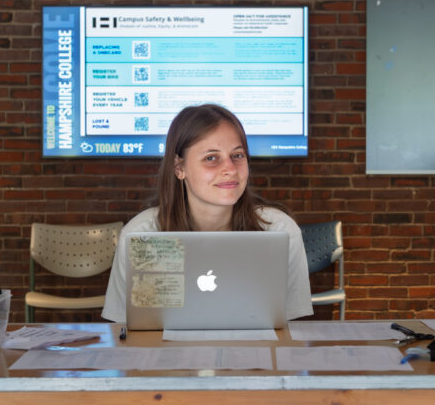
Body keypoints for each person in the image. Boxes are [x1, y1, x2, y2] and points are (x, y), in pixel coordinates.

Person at [102, 103, 312, 322]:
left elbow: (291, 328)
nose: (230, 169)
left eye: (237, 155)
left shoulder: (280, 230)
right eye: (211, 158)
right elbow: (125, 329)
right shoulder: (142, 234)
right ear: (179, 168)